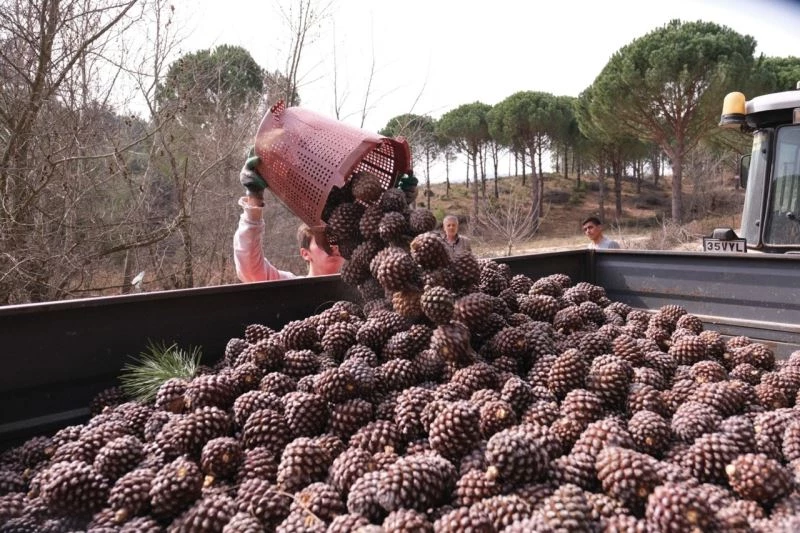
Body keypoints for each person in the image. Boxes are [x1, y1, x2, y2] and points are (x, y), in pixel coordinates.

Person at [234, 152, 344, 281]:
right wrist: (254, 196)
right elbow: (251, 270)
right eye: (324, 240)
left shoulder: (360, 286)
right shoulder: (290, 286)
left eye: (337, 240)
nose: (333, 246)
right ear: (305, 254)